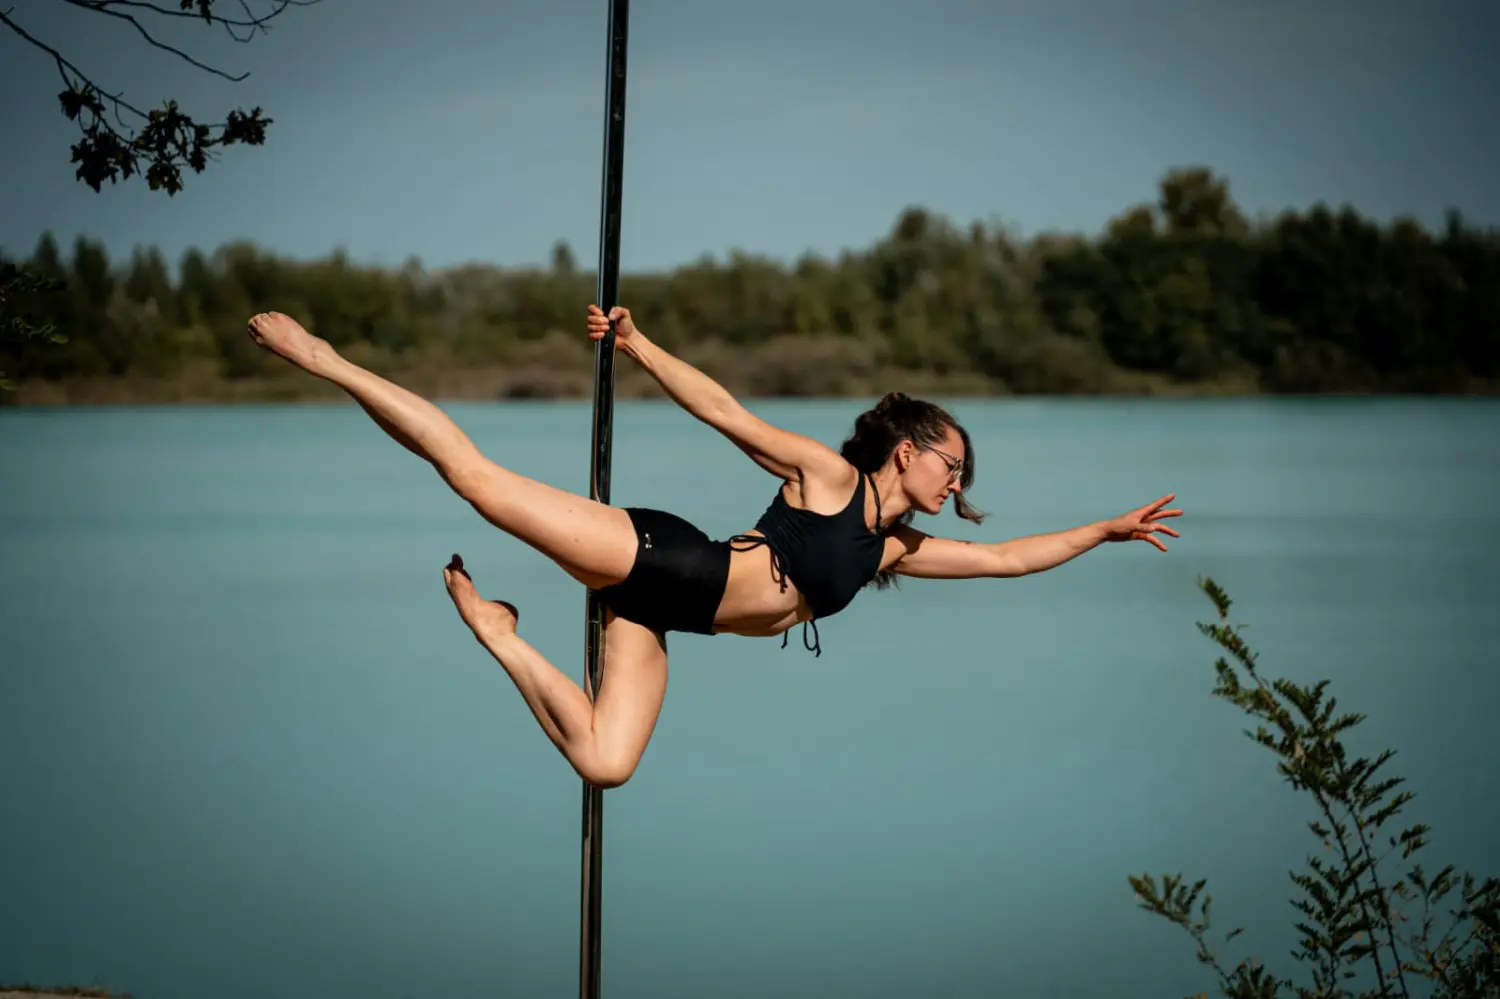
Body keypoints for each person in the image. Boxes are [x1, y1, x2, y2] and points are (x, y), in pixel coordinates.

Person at [245, 306, 1182, 788]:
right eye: (954, 467)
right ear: (911, 450)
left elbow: (1009, 559)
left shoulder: (890, 548)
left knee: (607, 765)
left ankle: (499, 633)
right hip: (667, 560)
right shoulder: (827, 477)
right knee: (479, 481)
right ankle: (325, 358)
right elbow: (726, 413)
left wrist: (1102, 530)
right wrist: (640, 345)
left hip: (671, 617)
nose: (958, 486)